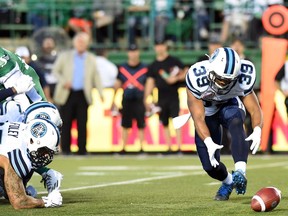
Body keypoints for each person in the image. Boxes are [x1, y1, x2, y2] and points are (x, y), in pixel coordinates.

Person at [185, 47, 263, 201]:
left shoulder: (243, 75)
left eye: (227, 80)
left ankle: (241, 172)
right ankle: (228, 182)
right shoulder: (196, 76)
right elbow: (198, 118)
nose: (222, 83)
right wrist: (208, 141)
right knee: (209, 167)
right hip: (207, 113)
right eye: (220, 78)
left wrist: (257, 130)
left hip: (229, 104)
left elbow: (255, 109)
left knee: (235, 121)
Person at [52, 32, 104, 155]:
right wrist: (64, 82)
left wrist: (101, 93)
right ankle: (66, 149)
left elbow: (96, 76)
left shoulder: (91, 58)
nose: (81, 44)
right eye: (79, 42)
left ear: (87, 44)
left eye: (83, 42)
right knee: (66, 122)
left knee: (82, 123)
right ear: (74, 43)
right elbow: (55, 71)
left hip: (83, 93)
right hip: (67, 93)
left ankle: (82, 149)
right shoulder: (65, 56)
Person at [0, 118, 62, 209]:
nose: (45, 156)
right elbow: (19, 202)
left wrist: (45, 171)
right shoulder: (18, 155)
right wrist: (46, 202)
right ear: (32, 141)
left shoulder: (21, 128)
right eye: (44, 151)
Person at [143, 39, 186, 151]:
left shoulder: (173, 61)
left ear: (165, 47)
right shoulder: (154, 65)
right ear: (155, 48)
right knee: (164, 121)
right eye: (158, 45)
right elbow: (150, 82)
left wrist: (176, 78)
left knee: (176, 120)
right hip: (161, 96)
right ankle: (168, 146)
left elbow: (186, 70)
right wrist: (146, 97)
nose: (160, 48)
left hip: (173, 95)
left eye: (162, 45)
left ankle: (179, 146)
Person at [111, 44, 148, 151]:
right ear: (128, 53)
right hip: (127, 98)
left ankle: (142, 147)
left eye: (135, 51)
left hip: (139, 98)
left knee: (141, 123)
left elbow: (148, 84)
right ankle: (124, 147)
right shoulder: (122, 68)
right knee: (125, 124)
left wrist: (147, 99)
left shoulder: (144, 68)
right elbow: (118, 83)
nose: (133, 54)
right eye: (131, 52)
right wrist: (113, 99)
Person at [0, 46, 46, 111]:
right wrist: (14, 89)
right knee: (22, 103)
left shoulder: (30, 69)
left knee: (35, 98)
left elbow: (43, 84)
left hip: (14, 72)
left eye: (24, 57)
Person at [36, 37, 59, 101]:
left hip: (58, 86)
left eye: (50, 43)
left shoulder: (59, 58)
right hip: (43, 86)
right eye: (46, 43)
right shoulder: (38, 59)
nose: (48, 45)